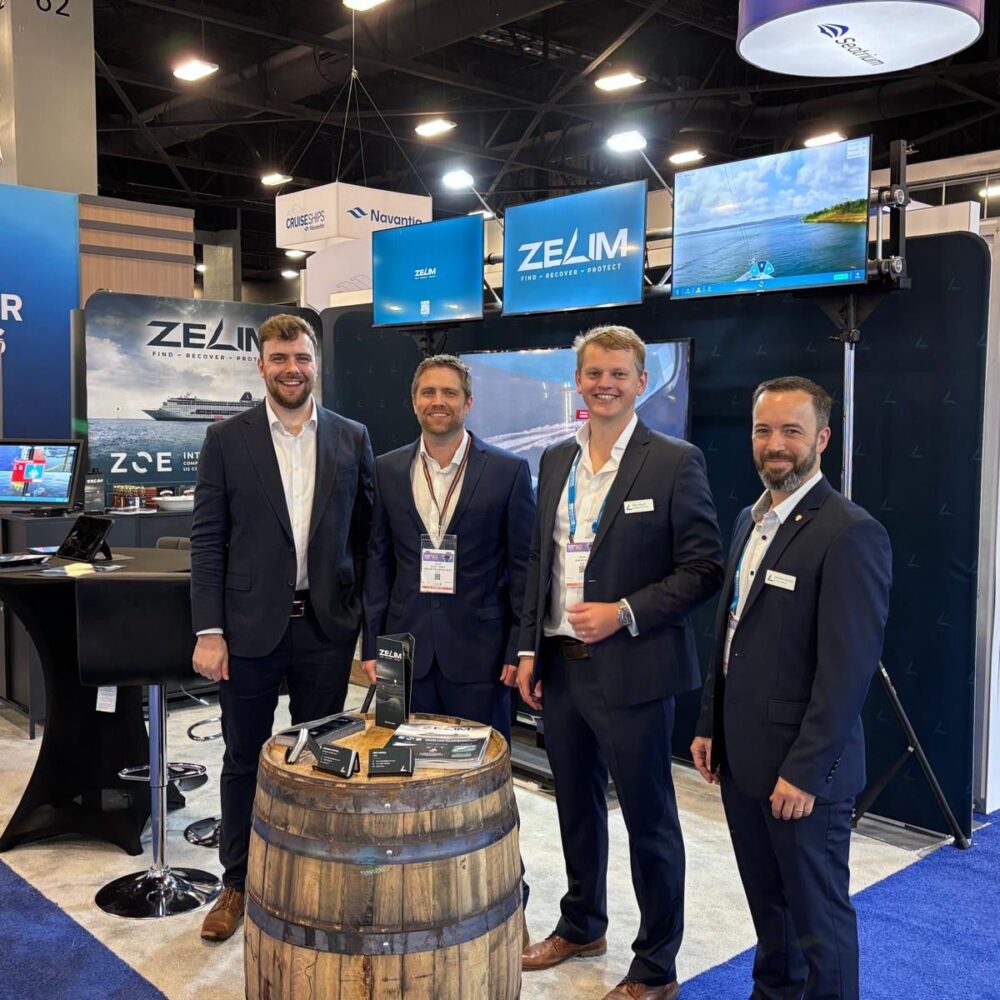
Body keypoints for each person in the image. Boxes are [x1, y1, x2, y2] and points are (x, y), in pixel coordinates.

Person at [517, 325, 723, 1000]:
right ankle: (582, 925)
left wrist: (624, 612)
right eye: (593, 373)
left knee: (648, 820)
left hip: (635, 670)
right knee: (576, 808)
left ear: (640, 382)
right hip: (562, 667)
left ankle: (656, 966)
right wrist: (529, 649)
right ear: (577, 380)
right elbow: (541, 563)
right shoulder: (556, 459)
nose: (604, 384)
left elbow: (704, 568)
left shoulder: (674, 462)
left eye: (618, 374)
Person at [691, 375, 892, 1000]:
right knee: (769, 908)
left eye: (791, 431)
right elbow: (731, 634)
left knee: (818, 921)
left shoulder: (850, 532)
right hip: (743, 758)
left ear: (822, 439)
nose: (775, 444)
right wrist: (709, 723)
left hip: (805, 774)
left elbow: (847, 671)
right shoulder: (748, 520)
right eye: (763, 430)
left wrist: (804, 772)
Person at [190, 313, 374, 942]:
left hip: (326, 628)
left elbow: (367, 538)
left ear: (315, 363)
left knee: (322, 757)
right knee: (244, 757)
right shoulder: (226, 439)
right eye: (279, 358)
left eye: (301, 357)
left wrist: (364, 626)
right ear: (261, 364)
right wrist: (208, 630)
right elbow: (207, 540)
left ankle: (315, 877)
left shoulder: (351, 436)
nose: (291, 369)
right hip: (247, 628)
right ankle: (237, 883)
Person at [362, 354, 534, 743]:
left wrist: (518, 648)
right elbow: (378, 563)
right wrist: (372, 645)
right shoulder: (387, 469)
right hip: (400, 653)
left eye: (449, 393)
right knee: (402, 762)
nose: (438, 401)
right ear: (414, 402)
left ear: (468, 402)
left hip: (481, 654)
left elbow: (524, 569)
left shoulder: (508, 471)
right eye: (428, 392)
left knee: (477, 764)